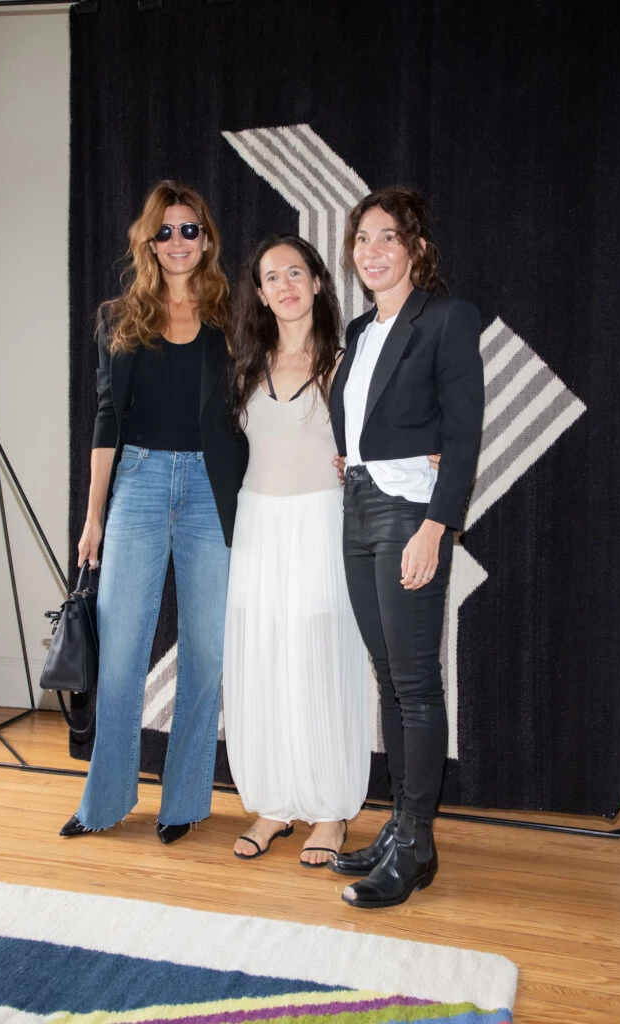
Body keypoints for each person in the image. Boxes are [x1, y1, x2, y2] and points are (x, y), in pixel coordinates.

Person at [61, 181, 248, 842]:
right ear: (148, 240)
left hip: (209, 490)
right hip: (137, 483)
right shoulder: (119, 316)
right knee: (120, 652)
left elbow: (262, 404)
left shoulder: (235, 314)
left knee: (205, 651)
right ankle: (104, 802)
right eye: (164, 231)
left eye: (188, 229)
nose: (177, 242)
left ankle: (183, 804)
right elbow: (106, 421)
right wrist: (93, 518)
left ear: (207, 238)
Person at [327, 186, 484, 907]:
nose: (373, 251)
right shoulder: (359, 332)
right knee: (390, 679)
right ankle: (399, 826)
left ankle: (417, 845)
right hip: (358, 509)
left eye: (388, 237)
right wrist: (350, 456)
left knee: (416, 684)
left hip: (409, 515)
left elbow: (463, 435)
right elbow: (361, 418)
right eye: (362, 239)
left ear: (416, 248)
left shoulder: (447, 319)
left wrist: (435, 525)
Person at [222, 235, 370, 866]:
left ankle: (331, 810)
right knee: (266, 655)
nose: (284, 285)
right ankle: (275, 804)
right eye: (270, 277)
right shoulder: (243, 365)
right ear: (258, 293)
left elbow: (374, 445)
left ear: (316, 282)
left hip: (319, 525)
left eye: (295, 273)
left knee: (320, 655)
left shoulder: (344, 363)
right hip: (258, 525)